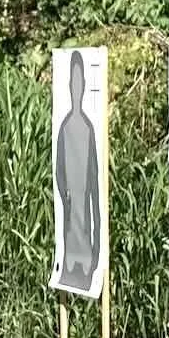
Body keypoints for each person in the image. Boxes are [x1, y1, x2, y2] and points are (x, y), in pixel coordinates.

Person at [54, 48, 102, 293]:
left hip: (86, 215)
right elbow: (59, 172)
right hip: (70, 215)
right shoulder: (64, 127)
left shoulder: (88, 128)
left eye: (78, 83)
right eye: (72, 83)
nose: (76, 88)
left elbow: (95, 179)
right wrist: (66, 198)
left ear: (83, 85)